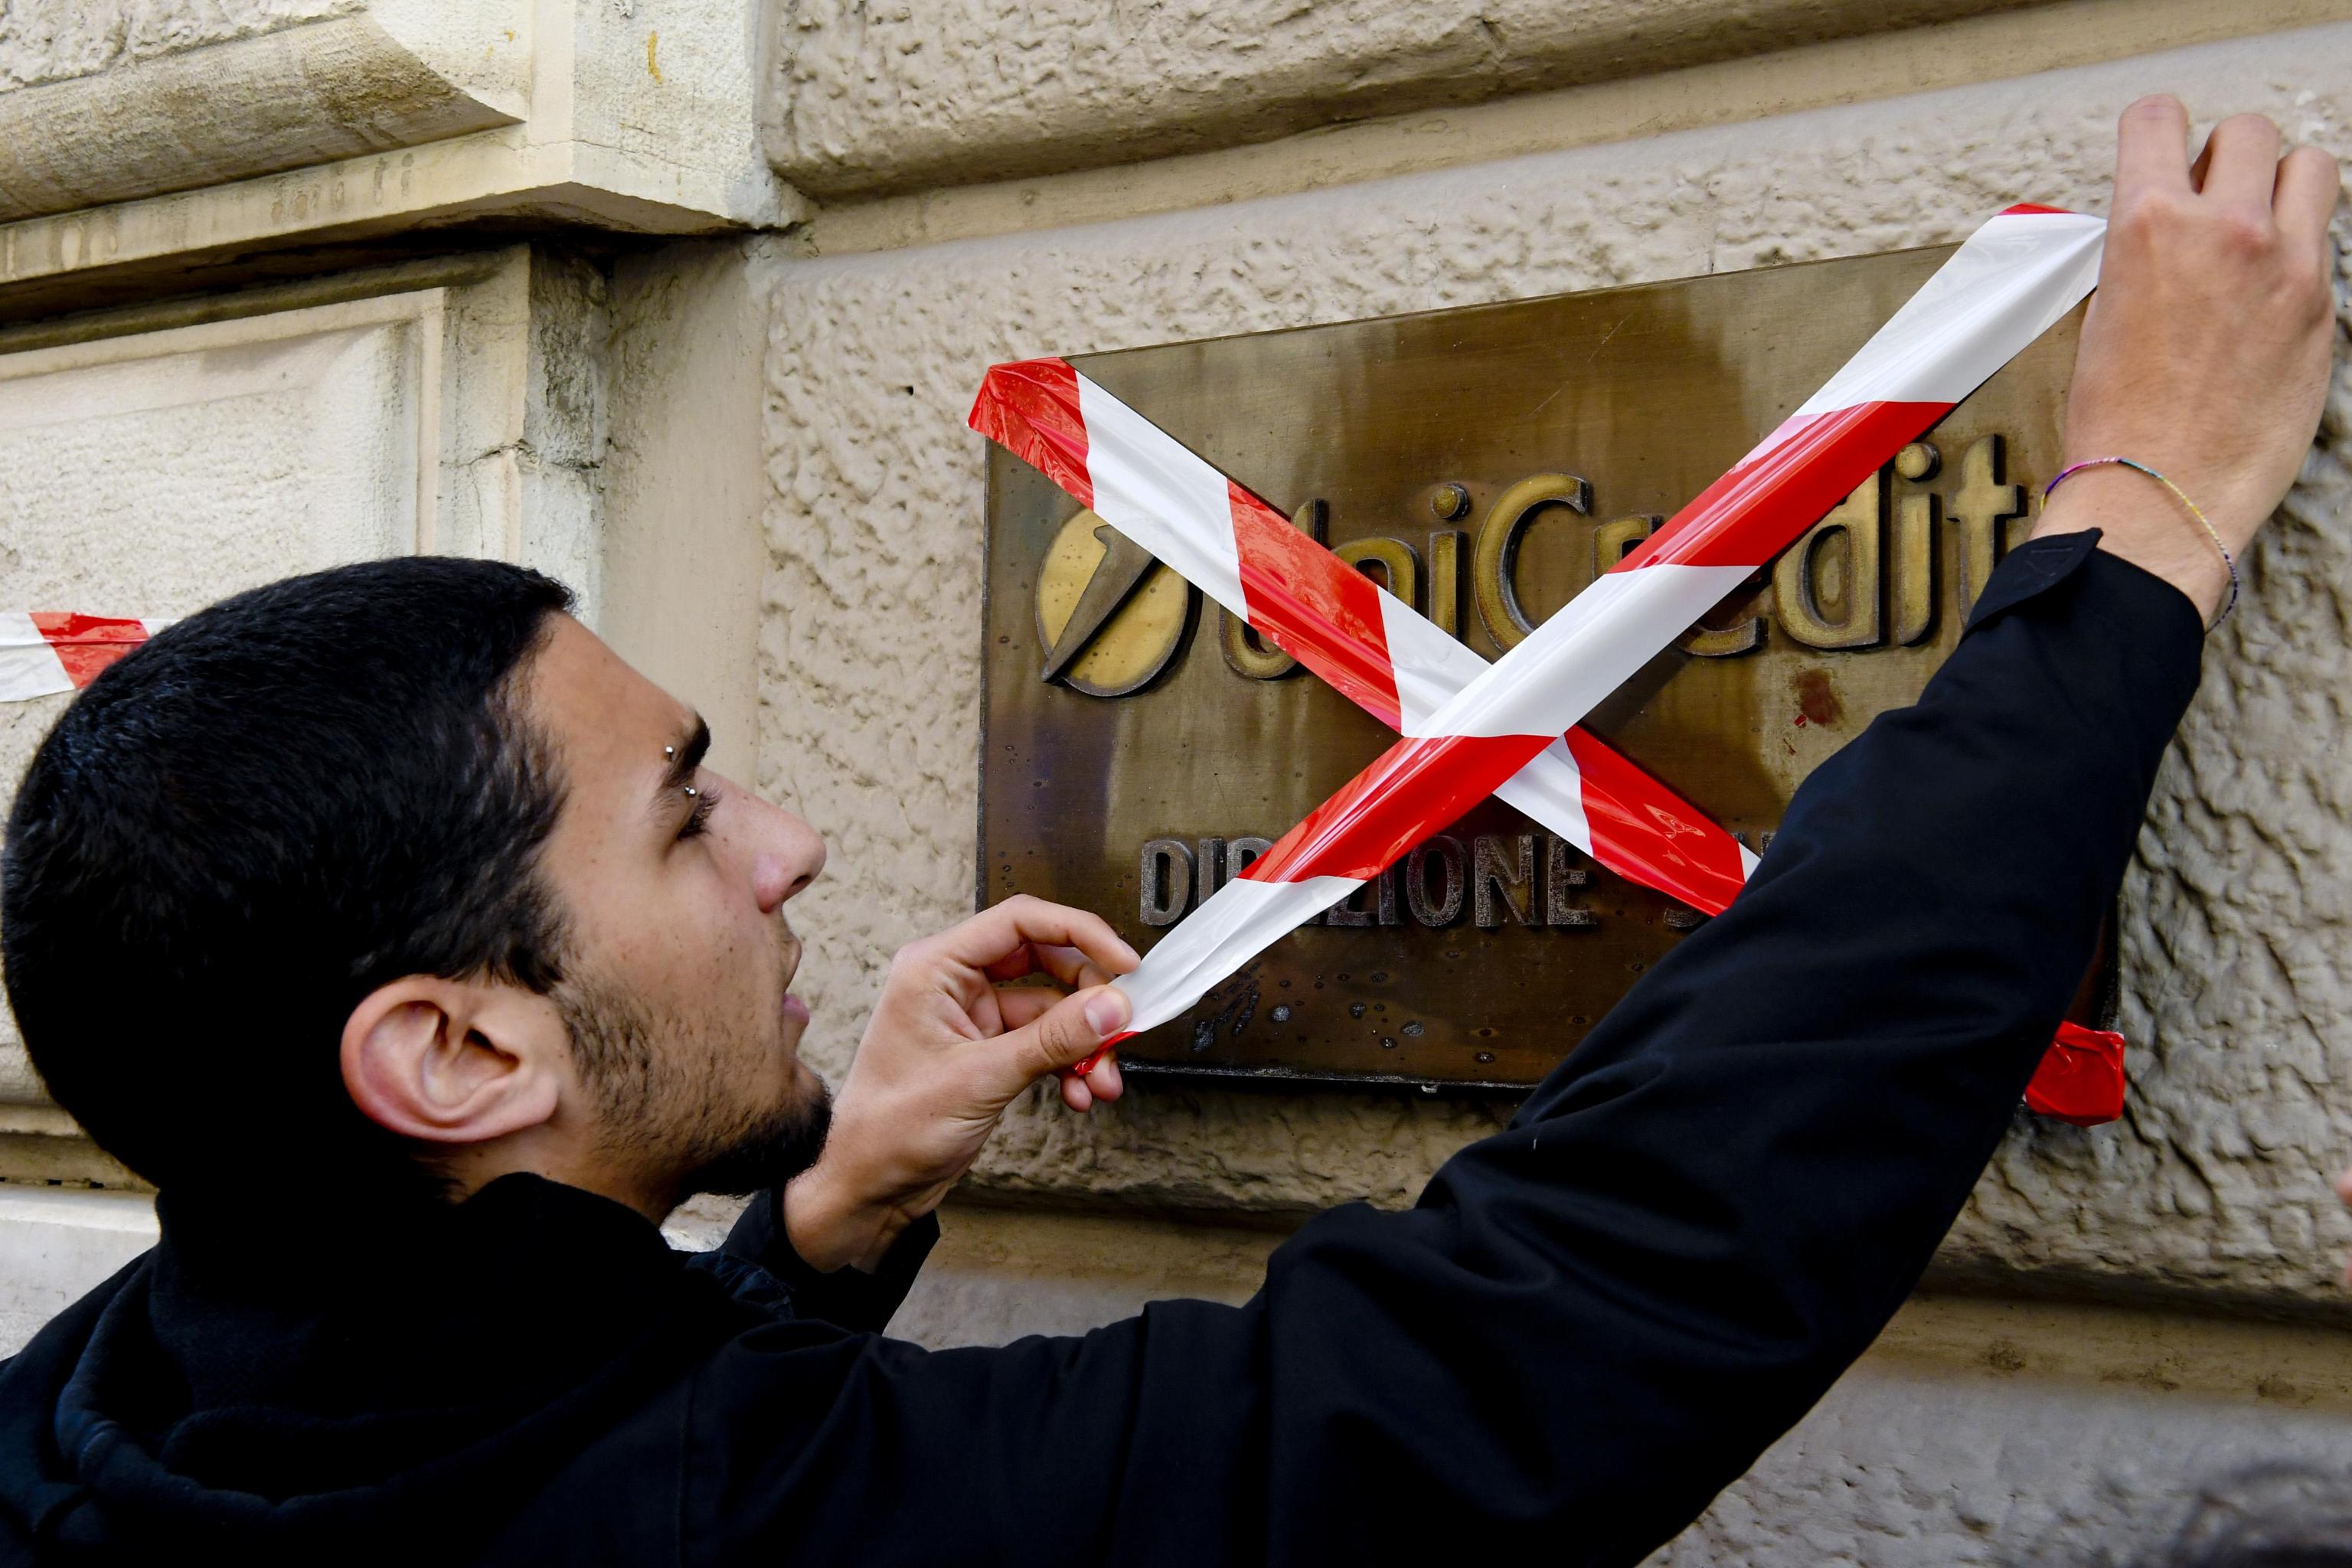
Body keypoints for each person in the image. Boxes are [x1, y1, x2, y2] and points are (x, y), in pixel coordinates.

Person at [0, 96, 2334, 1565]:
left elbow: (514, 1437)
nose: (794, 846)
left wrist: (821, 1233)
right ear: (454, 1058)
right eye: (685, 816)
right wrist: (2130, 525)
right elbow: (1595, 1305)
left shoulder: (99, 1419)